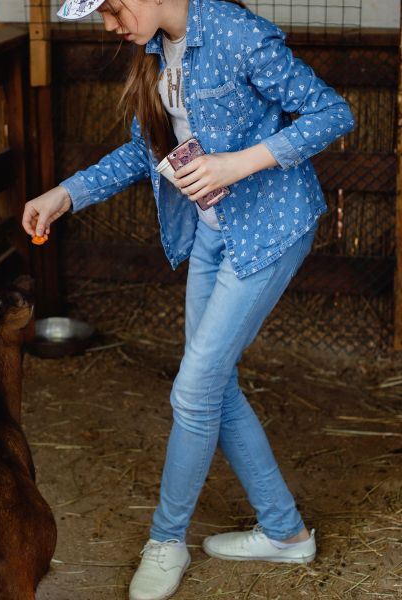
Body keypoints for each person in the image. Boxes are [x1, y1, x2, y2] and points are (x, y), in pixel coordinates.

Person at [22, 1, 355, 598]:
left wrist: (235, 165)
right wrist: (65, 194)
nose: (108, 25)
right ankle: (286, 533)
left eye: (111, 8)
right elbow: (144, 151)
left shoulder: (237, 34)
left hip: (268, 228)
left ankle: (166, 539)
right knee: (213, 385)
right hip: (211, 230)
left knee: (194, 390)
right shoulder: (157, 52)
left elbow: (332, 113)